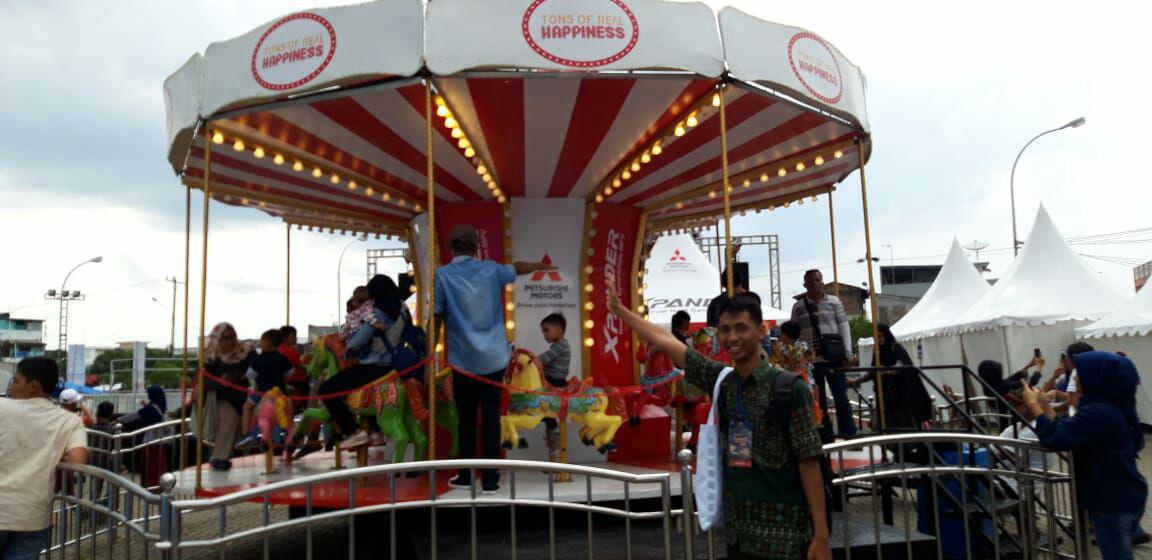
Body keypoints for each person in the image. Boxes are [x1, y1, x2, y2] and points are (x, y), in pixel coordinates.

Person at [610, 288, 831, 559]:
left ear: (762, 331)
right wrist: (620, 311)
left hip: (784, 538)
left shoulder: (788, 389)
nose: (732, 337)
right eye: (725, 330)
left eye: (741, 328)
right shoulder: (724, 382)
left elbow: (809, 461)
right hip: (738, 536)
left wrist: (821, 535)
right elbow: (667, 341)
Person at [436, 224, 552, 494]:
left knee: (466, 420)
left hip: (463, 362)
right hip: (493, 361)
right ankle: (490, 480)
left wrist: (430, 351)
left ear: (451, 248)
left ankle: (466, 476)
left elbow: (438, 315)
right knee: (491, 419)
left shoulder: (442, 275)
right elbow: (518, 268)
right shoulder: (491, 270)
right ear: (474, 247)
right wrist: (540, 266)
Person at [1022, 352, 1149, 560]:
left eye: (1081, 373)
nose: (1077, 378)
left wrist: (1033, 405)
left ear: (1097, 378)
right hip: (1126, 493)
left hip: (1111, 501)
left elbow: (1055, 438)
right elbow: (1066, 429)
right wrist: (1044, 406)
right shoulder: (1110, 407)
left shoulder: (1097, 413)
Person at [0, 357, 89, 560]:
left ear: (33, 386)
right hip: (33, 517)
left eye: (16, 380)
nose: (11, 386)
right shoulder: (70, 421)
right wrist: (53, 453)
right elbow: (78, 460)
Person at [320, 274, 412, 449]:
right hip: (395, 365)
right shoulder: (403, 309)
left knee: (327, 390)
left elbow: (359, 340)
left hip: (374, 365)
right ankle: (374, 430)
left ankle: (353, 431)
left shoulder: (379, 312)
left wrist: (348, 346)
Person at [790, 269, 855, 439]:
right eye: (811, 281)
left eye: (817, 280)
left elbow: (844, 325)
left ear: (822, 282)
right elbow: (793, 332)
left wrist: (848, 351)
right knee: (819, 400)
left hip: (834, 356)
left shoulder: (834, 301)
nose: (815, 283)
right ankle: (825, 436)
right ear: (805, 284)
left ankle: (849, 434)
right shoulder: (798, 307)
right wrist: (797, 355)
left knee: (841, 397)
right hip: (812, 360)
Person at [848, 324, 933, 432]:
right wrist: (856, 381)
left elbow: (900, 365)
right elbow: (872, 371)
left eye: (881, 336)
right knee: (880, 425)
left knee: (902, 425)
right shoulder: (878, 351)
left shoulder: (896, 348)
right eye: (876, 337)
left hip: (900, 395)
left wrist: (886, 370)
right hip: (884, 395)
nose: (879, 339)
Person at [201, 322, 257, 471]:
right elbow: (202, 379)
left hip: (245, 397)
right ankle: (219, 458)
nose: (231, 341)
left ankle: (225, 455)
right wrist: (220, 382)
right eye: (226, 338)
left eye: (233, 337)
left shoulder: (247, 351)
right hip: (221, 397)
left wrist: (239, 377)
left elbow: (257, 369)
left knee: (238, 424)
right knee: (229, 418)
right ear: (218, 339)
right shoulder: (210, 354)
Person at [238, 329, 293, 446]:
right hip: (279, 392)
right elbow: (291, 371)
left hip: (262, 392)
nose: (260, 343)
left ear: (267, 343)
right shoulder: (282, 358)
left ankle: (246, 433)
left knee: (246, 407)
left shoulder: (259, 359)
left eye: (261, 341)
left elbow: (250, 375)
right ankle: (285, 433)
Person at [116, 385, 170, 487]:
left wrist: (117, 420)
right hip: (160, 440)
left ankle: (150, 486)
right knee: (158, 465)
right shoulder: (161, 406)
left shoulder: (151, 408)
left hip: (151, 440)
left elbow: (134, 416)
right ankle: (159, 485)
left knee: (151, 465)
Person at [771, 320, 822, 426]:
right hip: (801, 380)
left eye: (781, 333)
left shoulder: (798, 346)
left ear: (786, 334)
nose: (780, 336)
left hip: (802, 380)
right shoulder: (785, 348)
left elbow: (793, 365)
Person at [537, 313, 571, 453]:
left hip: (555, 380)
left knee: (542, 402)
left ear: (559, 329)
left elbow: (544, 359)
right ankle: (550, 429)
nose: (545, 335)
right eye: (543, 332)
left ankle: (553, 429)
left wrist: (530, 360)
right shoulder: (558, 345)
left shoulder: (561, 345)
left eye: (547, 330)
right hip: (551, 378)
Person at [1042, 342, 1094, 416]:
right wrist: (1054, 376)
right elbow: (1044, 390)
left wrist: (1049, 408)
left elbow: (1072, 401)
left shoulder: (1076, 372)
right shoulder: (1064, 377)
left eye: (1063, 360)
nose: (1061, 363)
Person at [279, 325, 310, 401]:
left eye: (296, 336)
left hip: (288, 378)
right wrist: (306, 372)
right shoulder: (288, 350)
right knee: (307, 389)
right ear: (284, 338)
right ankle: (305, 405)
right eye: (293, 336)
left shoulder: (288, 348)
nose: (296, 338)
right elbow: (298, 365)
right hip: (292, 379)